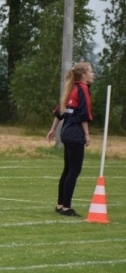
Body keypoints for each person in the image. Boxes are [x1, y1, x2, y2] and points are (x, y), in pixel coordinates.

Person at [46, 62, 95, 217]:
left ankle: (60, 205)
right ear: (83, 75)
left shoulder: (71, 88)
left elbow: (60, 111)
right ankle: (67, 207)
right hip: (75, 134)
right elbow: (84, 113)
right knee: (74, 170)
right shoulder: (82, 89)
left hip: (66, 132)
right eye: (91, 71)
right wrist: (86, 134)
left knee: (67, 170)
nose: (93, 74)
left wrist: (53, 130)